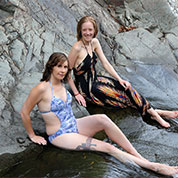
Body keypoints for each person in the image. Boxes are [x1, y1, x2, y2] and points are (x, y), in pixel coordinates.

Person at [21, 52, 178, 176]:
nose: (62, 70)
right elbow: (24, 112)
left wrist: (77, 93)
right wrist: (32, 135)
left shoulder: (62, 83)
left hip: (74, 124)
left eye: (65, 67)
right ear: (51, 67)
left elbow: (73, 83)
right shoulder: (42, 88)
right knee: (108, 147)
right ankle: (154, 167)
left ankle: (138, 156)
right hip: (61, 135)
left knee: (103, 119)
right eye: (59, 67)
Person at [67, 16, 178, 128]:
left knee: (127, 88)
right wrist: (76, 93)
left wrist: (120, 79)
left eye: (90, 30)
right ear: (80, 31)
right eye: (84, 30)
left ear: (94, 30)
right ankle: (156, 113)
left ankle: (154, 113)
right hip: (88, 90)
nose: (87, 33)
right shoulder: (77, 48)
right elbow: (67, 72)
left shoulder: (94, 42)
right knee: (122, 98)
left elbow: (106, 63)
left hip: (97, 79)